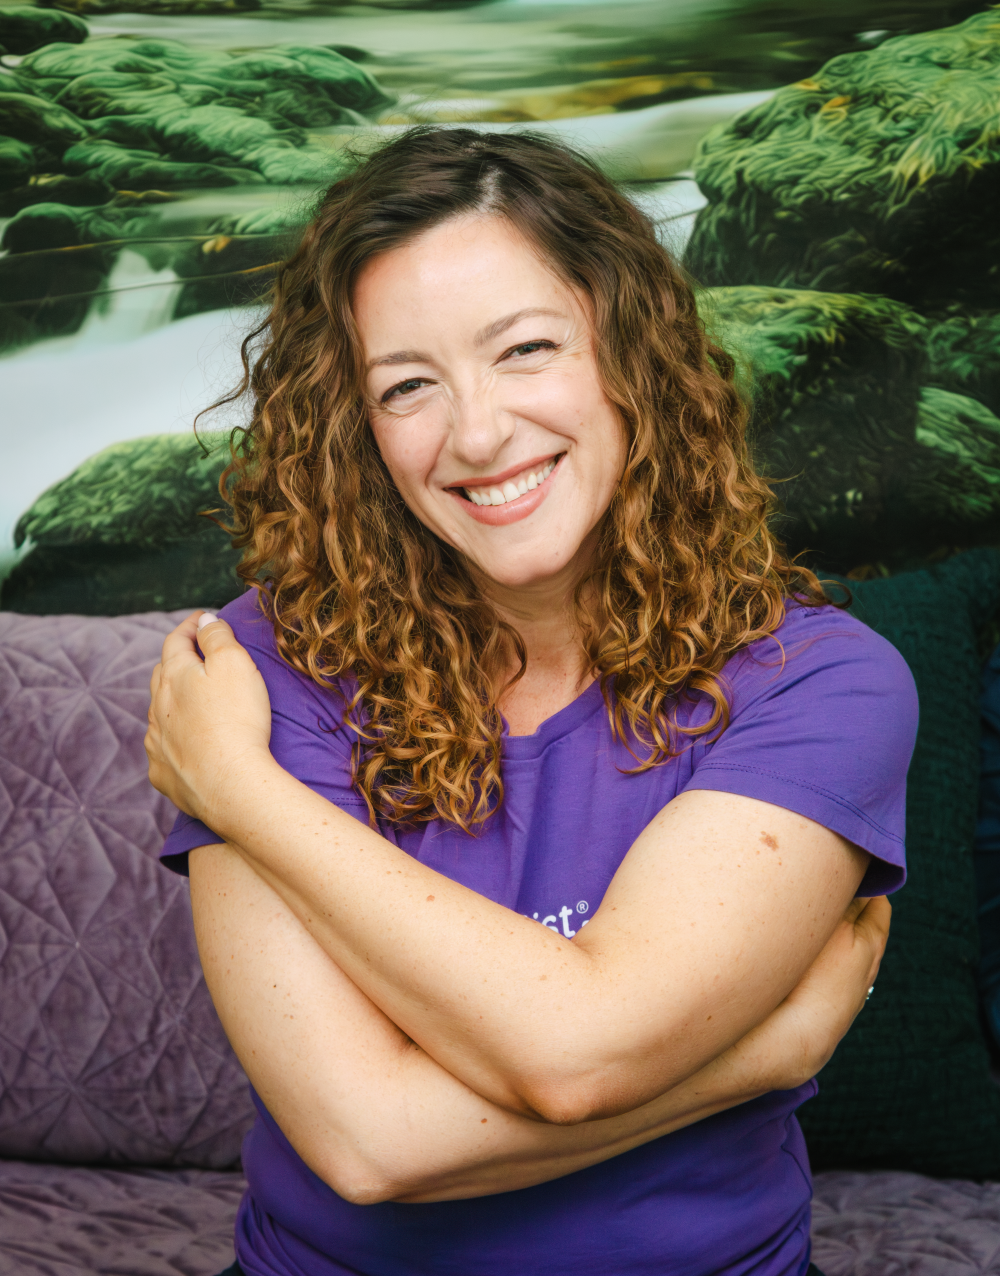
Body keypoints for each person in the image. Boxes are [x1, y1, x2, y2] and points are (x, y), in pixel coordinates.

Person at [146, 128, 918, 1276]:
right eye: (407, 385)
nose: (476, 432)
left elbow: (573, 1057)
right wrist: (766, 1048)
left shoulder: (822, 681)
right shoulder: (266, 667)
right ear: (358, 429)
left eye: (524, 350)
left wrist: (243, 795)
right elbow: (365, 1145)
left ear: (628, 354)